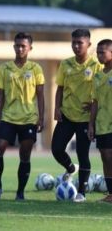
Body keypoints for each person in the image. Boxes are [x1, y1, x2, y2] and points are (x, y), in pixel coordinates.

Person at [0, 32, 45, 201]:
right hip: (8, 117)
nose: (20, 48)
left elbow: (40, 95)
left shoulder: (35, 69)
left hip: (28, 118)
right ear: (14, 47)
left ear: (30, 48)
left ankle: (20, 192)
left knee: (25, 153)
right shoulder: (5, 68)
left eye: (23, 46)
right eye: (17, 45)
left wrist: (41, 117)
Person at [51, 29, 103, 202]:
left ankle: (81, 192)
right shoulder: (65, 64)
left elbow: (102, 90)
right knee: (56, 148)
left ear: (88, 44)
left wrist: (95, 107)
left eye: (79, 43)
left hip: (85, 118)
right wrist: (56, 108)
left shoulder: (96, 66)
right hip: (66, 114)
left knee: (83, 153)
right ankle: (71, 168)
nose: (76, 46)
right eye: (73, 42)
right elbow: (60, 88)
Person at [88, 39, 112, 203]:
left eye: (102, 52)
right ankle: (111, 193)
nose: (99, 55)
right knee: (105, 156)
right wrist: (91, 124)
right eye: (98, 52)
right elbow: (94, 102)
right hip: (102, 123)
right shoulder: (97, 76)